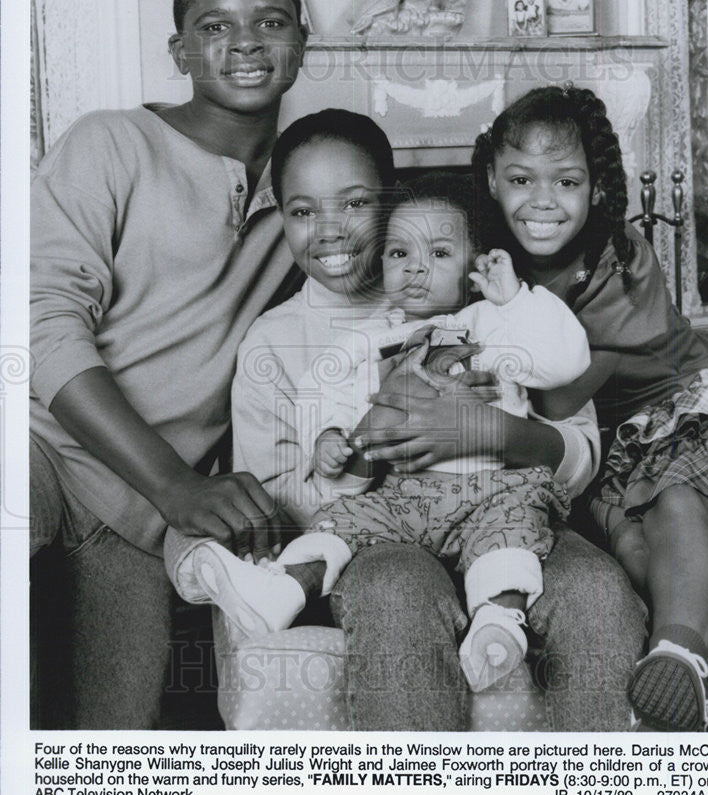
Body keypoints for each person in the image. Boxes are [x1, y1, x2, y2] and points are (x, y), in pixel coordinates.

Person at [167, 108, 647, 731]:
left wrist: (486, 432)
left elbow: (580, 450)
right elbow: (283, 500)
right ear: (279, 217)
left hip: (511, 511)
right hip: (380, 536)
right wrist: (372, 435)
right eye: (303, 210)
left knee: (596, 591)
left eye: (357, 204)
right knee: (397, 592)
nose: (332, 231)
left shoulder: (491, 304)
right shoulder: (279, 343)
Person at [29, 0, 308, 729]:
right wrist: (179, 486)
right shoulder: (109, 141)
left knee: (116, 748)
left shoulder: (310, 187)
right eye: (215, 26)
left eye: (271, 20)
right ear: (179, 48)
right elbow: (41, 328)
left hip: (139, 520)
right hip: (44, 448)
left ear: (301, 41)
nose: (246, 41)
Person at [472, 83, 708, 732]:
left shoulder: (618, 257)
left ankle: (681, 654)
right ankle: (674, 699)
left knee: (676, 498)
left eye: (564, 181)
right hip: (609, 440)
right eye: (520, 179)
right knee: (625, 538)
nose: (541, 201)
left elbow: (562, 387)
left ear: (595, 189)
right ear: (491, 180)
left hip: (679, 407)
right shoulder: (496, 260)